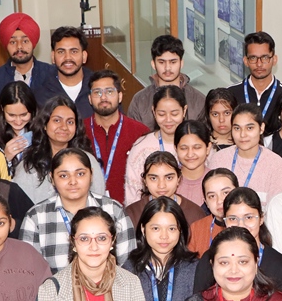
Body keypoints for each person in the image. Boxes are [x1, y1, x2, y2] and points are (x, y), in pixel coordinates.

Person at [20, 148, 136, 271]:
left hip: (108, 289)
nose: (73, 181)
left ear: (91, 174)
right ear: (52, 178)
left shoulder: (114, 210)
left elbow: (128, 267)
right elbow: (29, 273)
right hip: (55, 289)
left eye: (80, 174)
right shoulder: (36, 216)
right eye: (64, 176)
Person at [195, 187, 282, 294]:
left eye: (249, 217)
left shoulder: (279, 264)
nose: (241, 225)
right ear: (225, 222)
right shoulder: (209, 259)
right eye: (233, 219)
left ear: (261, 219)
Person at [14, 96, 104, 203]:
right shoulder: (29, 166)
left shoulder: (88, 161)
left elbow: (100, 202)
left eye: (70, 122)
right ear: (45, 125)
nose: (64, 127)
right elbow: (20, 209)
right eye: (57, 120)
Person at [85, 70, 150, 203]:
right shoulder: (79, 131)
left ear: (120, 96)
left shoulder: (140, 132)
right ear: (90, 99)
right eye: (97, 92)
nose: (103, 98)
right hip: (87, 208)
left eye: (109, 91)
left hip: (129, 210)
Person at [206, 103, 282, 203]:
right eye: (237, 128)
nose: (242, 135)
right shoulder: (219, 159)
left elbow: (278, 210)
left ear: (261, 128)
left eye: (249, 128)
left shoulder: (275, 164)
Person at [0, 12, 58, 117]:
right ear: (5, 45)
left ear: (33, 43)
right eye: (13, 42)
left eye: (25, 41)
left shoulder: (53, 74)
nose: (19, 47)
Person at [124, 85, 189, 204]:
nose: (168, 120)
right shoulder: (141, 147)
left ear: (184, 110)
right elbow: (132, 196)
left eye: (174, 114)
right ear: (153, 111)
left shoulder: (195, 144)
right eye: (162, 114)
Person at [126, 34, 206, 129]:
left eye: (173, 62)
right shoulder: (139, 101)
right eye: (161, 62)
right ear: (153, 64)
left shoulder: (198, 100)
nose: (167, 68)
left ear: (181, 63)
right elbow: (134, 138)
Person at [226, 32, 282, 130]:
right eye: (253, 58)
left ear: (274, 60)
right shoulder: (231, 93)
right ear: (246, 61)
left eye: (264, 58)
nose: (259, 64)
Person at [124, 151, 205, 228]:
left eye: (169, 178)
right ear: (145, 181)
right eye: (154, 178)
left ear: (178, 179)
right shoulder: (131, 213)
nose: (161, 185)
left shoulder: (195, 214)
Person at [33, 25, 95, 117]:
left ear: (84, 56)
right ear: (53, 57)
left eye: (74, 51)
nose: (68, 57)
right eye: (61, 52)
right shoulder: (40, 94)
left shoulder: (98, 88)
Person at [0, 81, 36, 174]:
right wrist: (5, 158)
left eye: (24, 115)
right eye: (11, 115)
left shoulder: (42, 128)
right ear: (2, 109)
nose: (18, 121)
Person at [188, 168, 237, 255]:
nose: (219, 201)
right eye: (212, 196)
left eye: (225, 193)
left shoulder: (249, 223)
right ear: (206, 202)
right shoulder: (196, 228)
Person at [174, 120, 212, 205]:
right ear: (175, 149)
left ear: (208, 148)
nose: (190, 154)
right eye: (184, 148)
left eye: (197, 147)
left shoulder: (216, 181)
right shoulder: (168, 182)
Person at [201, 87, 236, 152]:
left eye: (227, 113)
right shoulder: (200, 143)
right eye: (215, 114)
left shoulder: (244, 142)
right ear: (208, 116)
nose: (221, 120)